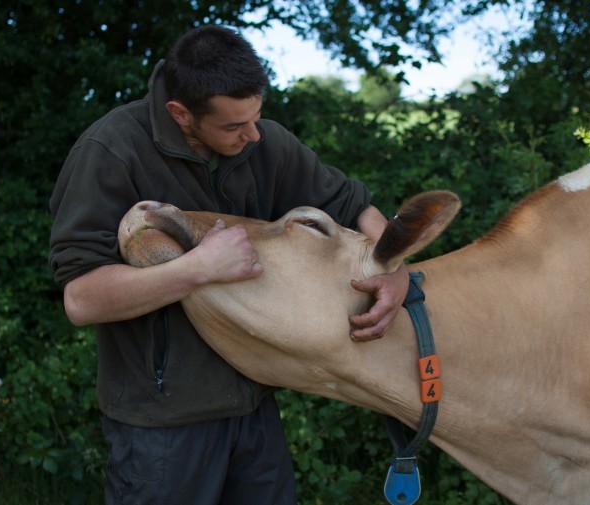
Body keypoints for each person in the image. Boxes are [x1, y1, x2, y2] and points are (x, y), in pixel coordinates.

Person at [48, 24, 409, 505]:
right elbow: (81, 299)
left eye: (256, 116)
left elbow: (352, 205)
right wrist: (197, 268)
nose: (252, 134)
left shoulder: (265, 143)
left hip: (255, 403)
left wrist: (394, 267)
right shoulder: (111, 150)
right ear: (181, 114)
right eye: (234, 126)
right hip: (163, 422)